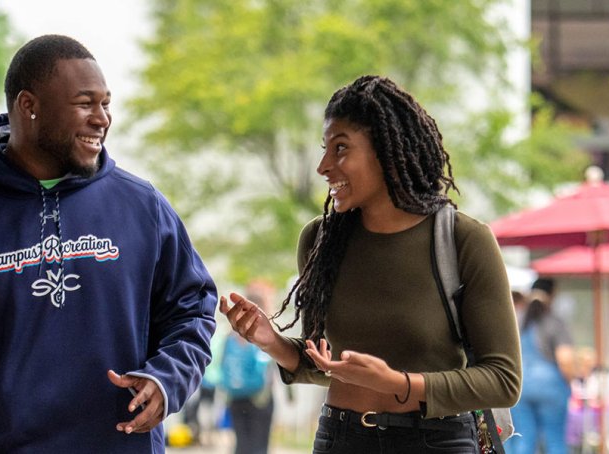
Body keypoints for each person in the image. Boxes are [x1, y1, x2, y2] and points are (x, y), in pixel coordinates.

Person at [0, 35, 217, 453]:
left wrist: (168, 378)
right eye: (85, 103)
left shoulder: (144, 209)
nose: (101, 118)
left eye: (106, 104)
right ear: (29, 106)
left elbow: (193, 310)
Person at [219, 75, 522, 453]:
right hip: (340, 437)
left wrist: (399, 383)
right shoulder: (319, 242)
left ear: (386, 153)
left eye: (341, 148)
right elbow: (325, 363)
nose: (324, 166)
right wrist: (271, 341)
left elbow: (503, 380)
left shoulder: (463, 240)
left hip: (436, 441)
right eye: (325, 149)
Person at [506, 278, 575, 454]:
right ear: (552, 295)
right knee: (555, 441)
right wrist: (570, 381)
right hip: (551, 388)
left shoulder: (516, 320)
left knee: (524, 441)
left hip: (521, 387)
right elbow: (565, 359)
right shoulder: (553, 320)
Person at [220, 281, 276, 454]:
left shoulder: (230, 336)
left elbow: (223, 364)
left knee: (241, 445)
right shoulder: (264, 336)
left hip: (235, 396)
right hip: (260, 399)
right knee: (259, 446)